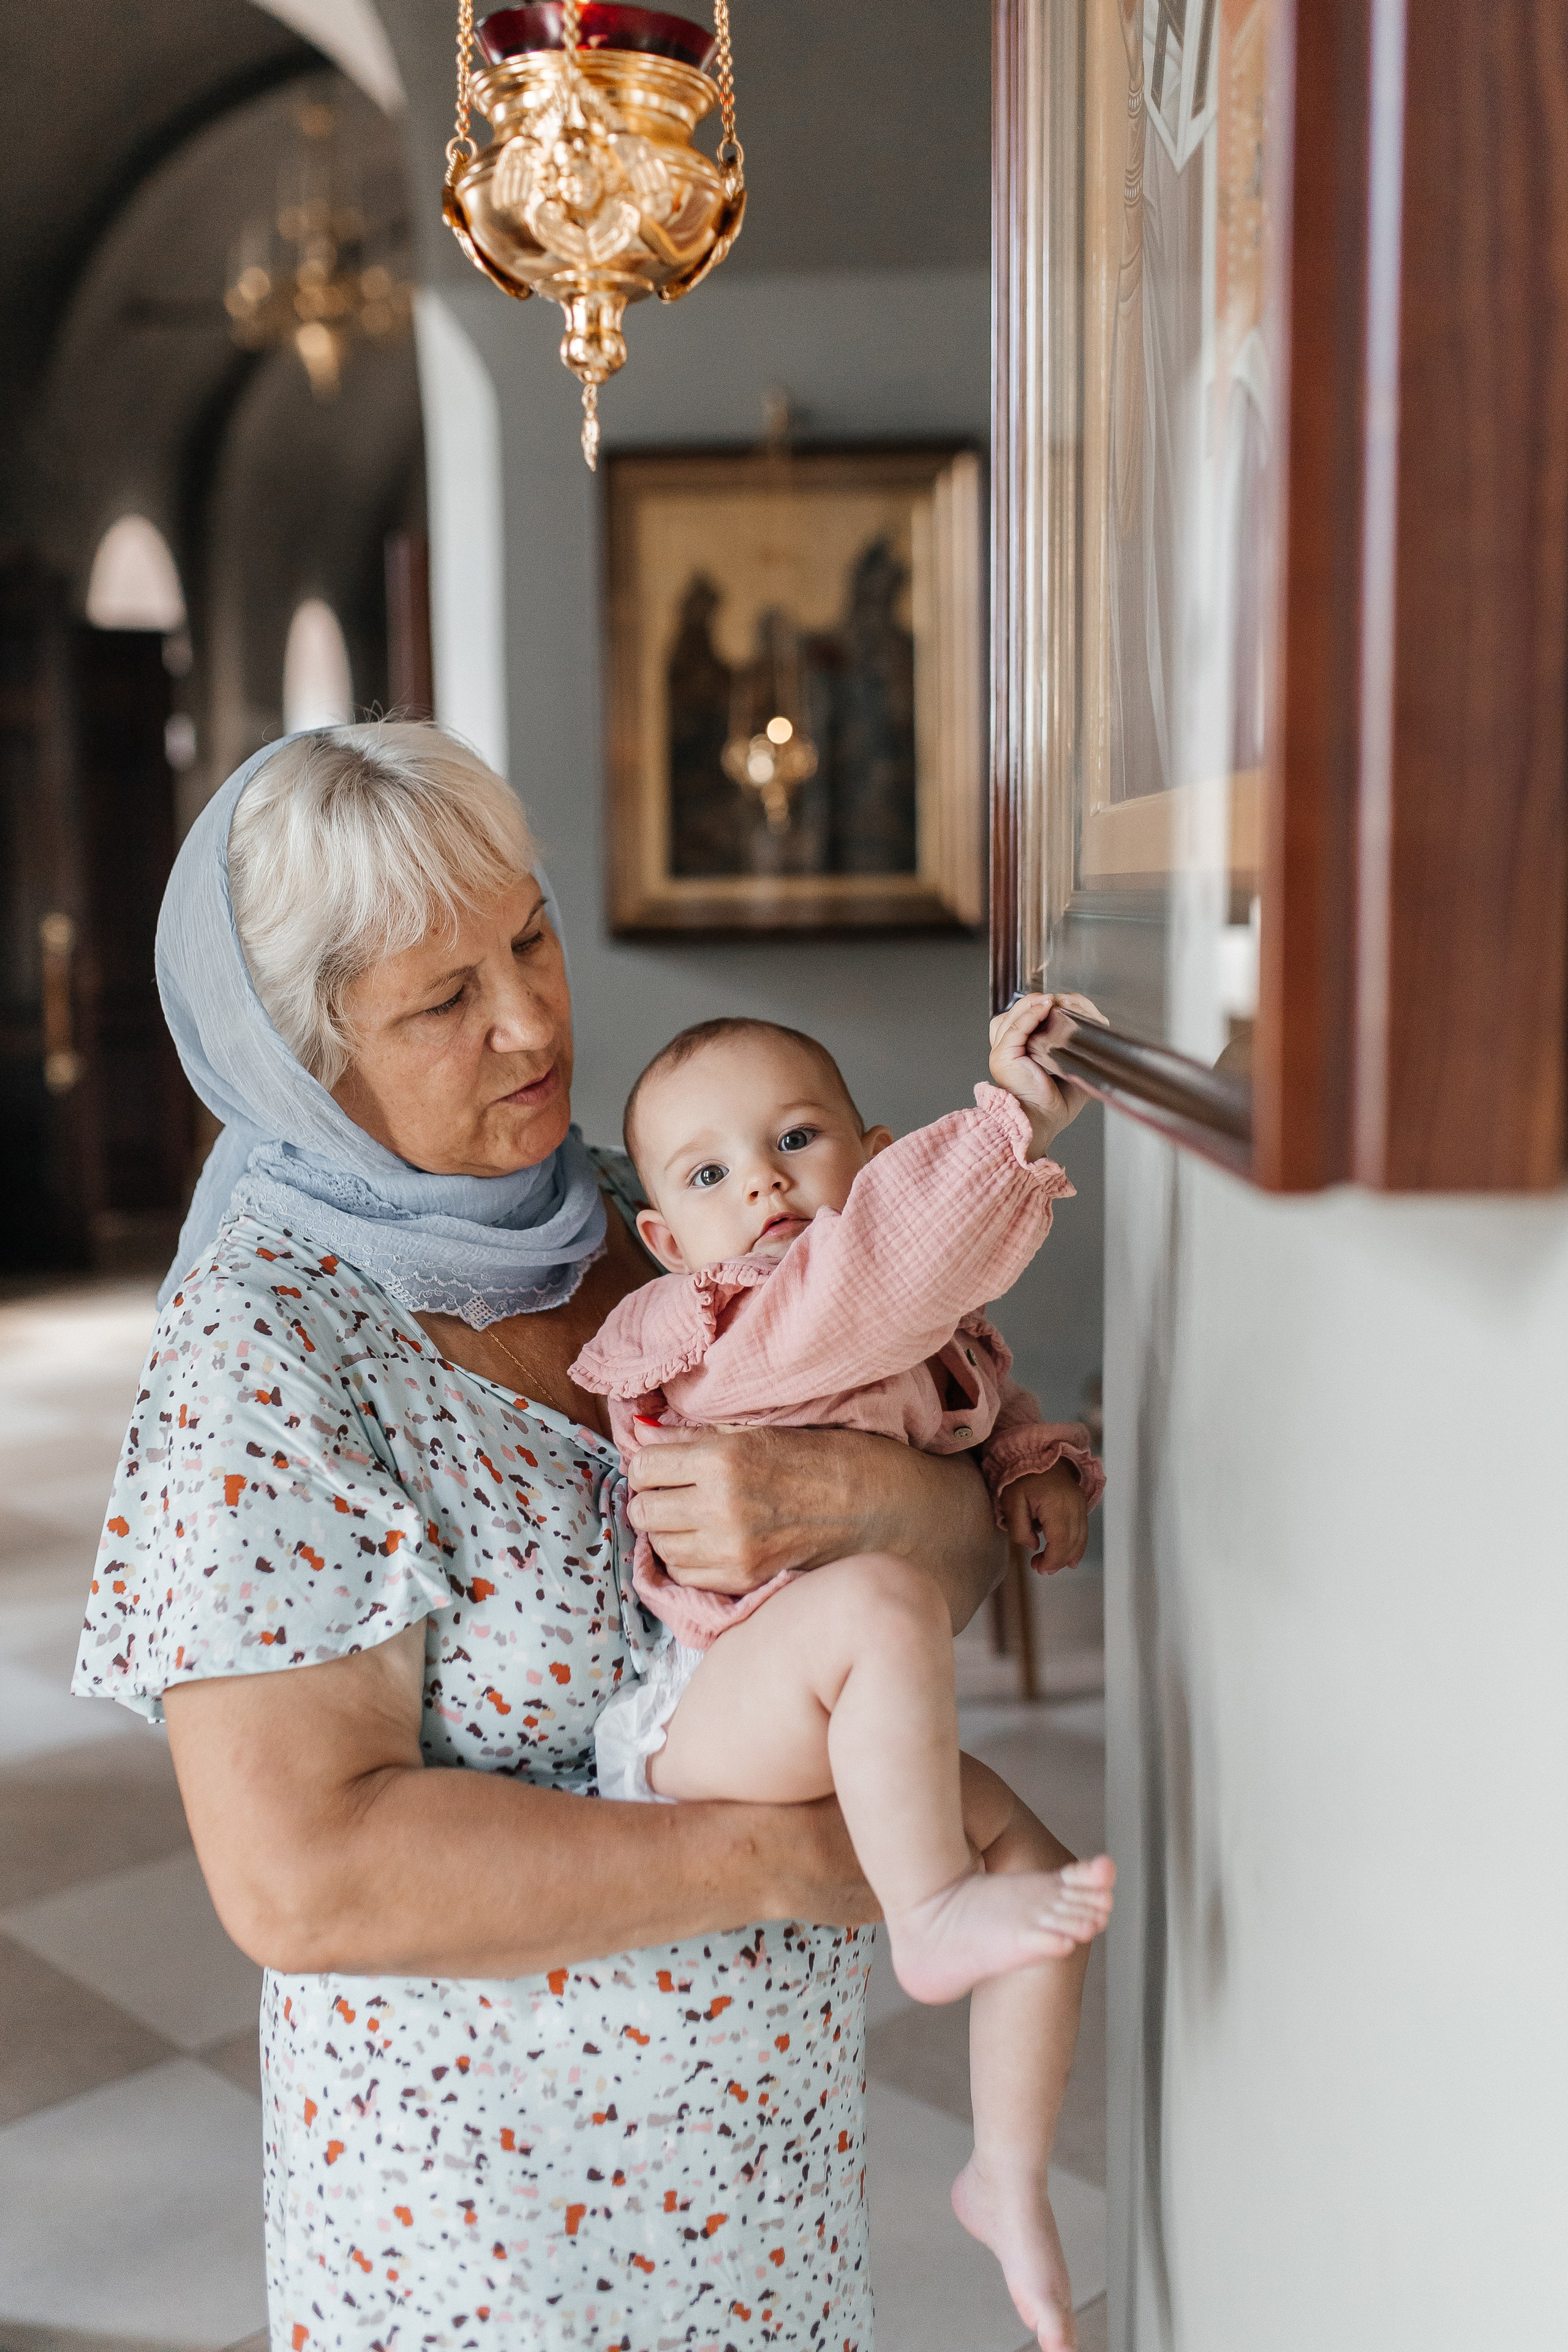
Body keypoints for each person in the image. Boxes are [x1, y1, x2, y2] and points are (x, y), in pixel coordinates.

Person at [71, 720, 1091, 2351]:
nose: (535, 1019)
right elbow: (302, 1879)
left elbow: (941, 1553)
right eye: (444, 1000)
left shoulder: (651, 1211)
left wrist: (842, 1499)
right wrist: (781, 1863)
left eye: (529, 936)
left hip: (767, 2165)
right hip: (490, 2217)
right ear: (307, 1057)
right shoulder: (264, 1347)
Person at [570, 1005, 1112, 2351]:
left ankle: (1005, 2174)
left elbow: (954, 1395)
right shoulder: (731, 1321)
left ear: (865, 1157)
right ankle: (924, 1918)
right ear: (664, 1239)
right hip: (703, 1714)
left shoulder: (894, 1318)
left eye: (795, 1140)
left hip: (813, 1696)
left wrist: (1026, 1460)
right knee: (875, 1598)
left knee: (1037, 1869)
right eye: (707, 1175)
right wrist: (1005, 1131)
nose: (758, 1181)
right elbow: (870, 1285)